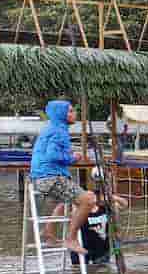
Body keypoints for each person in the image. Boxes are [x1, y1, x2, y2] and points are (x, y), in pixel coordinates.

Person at [29, 100, 98, 255]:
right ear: (61, 114)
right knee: (88, 200)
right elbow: (52, 155)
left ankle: (48, 231)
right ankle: (71, 238)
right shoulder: (60, 131)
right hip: (50, 178)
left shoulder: (52, 129)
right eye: (70, 111)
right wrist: (72, 158)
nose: (74, 114)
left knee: (67, 201)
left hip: (41, 178)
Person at [68, 186, 127, 267]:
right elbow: (72, 211)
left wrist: (111, 197)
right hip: (84, 251)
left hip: (102, 251)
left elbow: (124, 204)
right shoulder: (80, 211)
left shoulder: (105, 208)